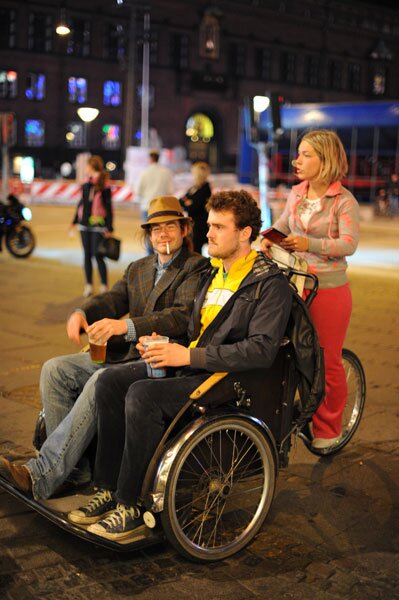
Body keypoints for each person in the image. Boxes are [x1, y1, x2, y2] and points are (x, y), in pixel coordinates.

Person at [67, 189, 292, 541]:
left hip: (226, 379)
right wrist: (163, 344)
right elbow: (194, 330)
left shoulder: (268, 285)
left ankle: (130, 505)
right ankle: (108, 488)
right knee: (111, 381)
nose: (209, 234)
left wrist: (187, 356)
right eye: (210, 225)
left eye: (218, 227)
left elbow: (261, 350)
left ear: (245, 233)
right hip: (194, 364)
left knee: (143, 395)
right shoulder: (213, 274)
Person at [0, 197, 209, 500]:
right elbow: (112, 299)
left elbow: (179, 316)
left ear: (184, 229)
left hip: (159, 361)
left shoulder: (196, 267)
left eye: (170, 227)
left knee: (100, 381)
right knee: (55, 369)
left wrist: (125, 326)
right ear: (148, 235)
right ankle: (74, 473)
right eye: (156, 229)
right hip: (125, 355)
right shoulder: (139, 268)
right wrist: (82, 312)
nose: (163, 234)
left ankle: (44, 473)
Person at [261, 129, 360, 451]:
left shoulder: (344, 201)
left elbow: (349, 244)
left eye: (306, 155)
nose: (296, 160)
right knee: (287, 354)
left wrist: (310, 243)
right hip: (294, 283)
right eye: (299, 154)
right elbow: (285, 223)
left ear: (325, 160)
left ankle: (329, 429)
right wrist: (269, 237)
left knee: (325, 360)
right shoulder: (298, 193)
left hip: (329, 289)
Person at [69, 155, 114, 298]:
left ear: (92, 166)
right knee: (87, 255)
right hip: (84, 225)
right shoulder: (86, 184)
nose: (86, 169)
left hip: (98, 226)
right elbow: (81, 204)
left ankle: (104, 285)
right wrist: (74, 221)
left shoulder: (104, 185)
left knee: (98, 255)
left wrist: (109, 227)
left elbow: (109, 207)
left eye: (87, 166)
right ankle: (88, 285)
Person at [180, 161, 211, 253]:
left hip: (200, 225)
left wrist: (189, 203)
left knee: (196, 249)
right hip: (192, 224)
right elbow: (181, 201)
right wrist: (188, 203)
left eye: (193, 173)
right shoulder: (193, 188)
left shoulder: (205, 189)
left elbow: (195, 208)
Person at [136, 150, 174, 223]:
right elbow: (171, 190)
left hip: (147, 205)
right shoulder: (166, 172)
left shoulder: (144, 172)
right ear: (158, 158)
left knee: (147, 230)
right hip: (162, 206)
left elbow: (138, 190)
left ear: (150, 159)